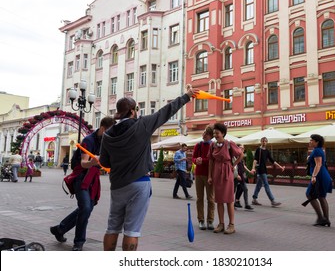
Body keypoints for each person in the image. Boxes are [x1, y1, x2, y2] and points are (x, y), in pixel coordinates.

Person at [99, 85, 197, 251]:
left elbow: (105, 163)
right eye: (136, 108)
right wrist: (187, 96)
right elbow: (166, 111)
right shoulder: (142, 125)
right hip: (139, 184)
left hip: (117, 186)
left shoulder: (107, 135)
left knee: (112, 227)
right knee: (132, 230)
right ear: (132, 111)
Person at [50, 116, 116, 251]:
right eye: (110, 132)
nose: (111, 135)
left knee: (85, 209)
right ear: (103, 129)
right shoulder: (88, 141)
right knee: (85, 208)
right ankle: (79, 242)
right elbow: (83, 163)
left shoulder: (107, 141)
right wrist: (92, 162)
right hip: (81, 178)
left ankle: (60, 229)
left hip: (93, 179)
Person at [208, 123, 244, 235]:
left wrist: (233, 165)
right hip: (216, 172)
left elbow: (241, 155)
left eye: (217, 133)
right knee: (218, 200)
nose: (215, 135)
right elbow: (210, 161)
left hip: (227, 172)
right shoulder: (213, 145)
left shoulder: (229, 144)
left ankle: (231, 225)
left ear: (223, 133)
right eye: (214, 133)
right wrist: (209, 176)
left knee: (229, 200)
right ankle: (221, 224)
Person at [306, 134, 332, 227]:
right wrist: (309, 158)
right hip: (323, 175)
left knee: (309, 194)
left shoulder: (317, 150)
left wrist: (313, 176)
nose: (310, 141)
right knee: (321, 197)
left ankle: (321, 218)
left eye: (312, 140)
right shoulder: (319, 150)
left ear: (317, 142)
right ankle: (326, 219)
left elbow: (318, 164)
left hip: (319, 176)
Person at [192, 125, 215, 230]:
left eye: (206, 133)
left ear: (210, 136)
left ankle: (210, 220)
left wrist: (203, 160)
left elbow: (213, 159)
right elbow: (193, 158)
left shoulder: (213, 146)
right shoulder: (199, 145)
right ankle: (201, 220)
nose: (204, 134)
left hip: (209, 175)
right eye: (204, 132)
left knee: (210, 198)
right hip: (199, 174)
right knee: (199, 198)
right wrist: (196, 160)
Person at [250, 137, 284, 207]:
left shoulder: (267, 151)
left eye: (265, 141)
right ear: (261, 142)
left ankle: (254, 199)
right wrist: (253, 168)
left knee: (259, 185)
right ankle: (272, 201)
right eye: (263, 141)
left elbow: (272, 160)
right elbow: (255, 160)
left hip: (264, 169)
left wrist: (280, 166)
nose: (264, 142)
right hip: (260, 169)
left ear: (267, 142)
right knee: (266, 185)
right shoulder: (258, 150)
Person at [234, 144, 253, 211]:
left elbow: (244, 166)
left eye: (243, 148)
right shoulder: (235, 156)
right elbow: (233, 165)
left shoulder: (241, 157)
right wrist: (236, 175)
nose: (242, 149)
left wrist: (249, 171)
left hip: (241, 176)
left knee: (245, 189)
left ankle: (246, 204)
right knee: (233, 190)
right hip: (236, 176)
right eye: (240, 148)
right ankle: (231, 204)